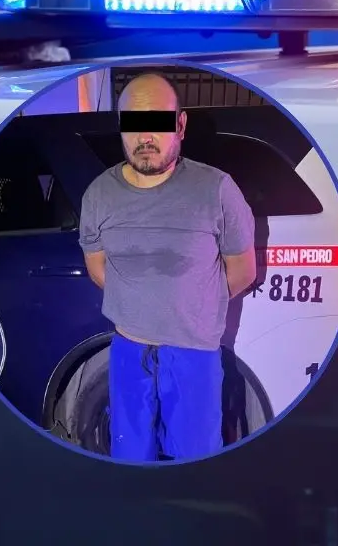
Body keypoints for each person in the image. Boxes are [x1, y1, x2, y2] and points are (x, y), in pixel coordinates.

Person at [78, 71, 259, 462]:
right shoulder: (98, 195)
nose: (146, 138)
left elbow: (243, 271)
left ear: (180, 124)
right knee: (130, 457)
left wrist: (188, 302)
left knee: (195, 459)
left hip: (193, 354)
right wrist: (143, 305)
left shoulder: (216, 189)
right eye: (134, 124)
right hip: (127, 350)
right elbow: (97, 269)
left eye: (157, 122)